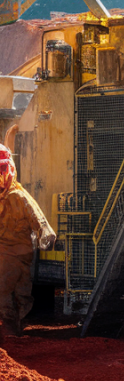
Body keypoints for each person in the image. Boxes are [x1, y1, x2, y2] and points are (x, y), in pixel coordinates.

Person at [0, 144, 56, 341]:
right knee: (12, 294)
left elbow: (40, 222)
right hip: (8, 254)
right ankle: (11, 329)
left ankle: (9, 329)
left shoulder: (19, 197)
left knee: (8, 291)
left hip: (17, 254)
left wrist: (46, 237)